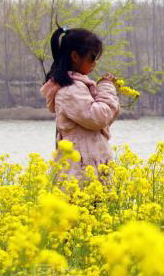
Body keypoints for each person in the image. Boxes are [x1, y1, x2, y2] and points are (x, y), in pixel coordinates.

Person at [40, 27, 120, 181]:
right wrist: (106, 87)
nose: (94, 63)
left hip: (88, 169)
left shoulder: (78, 86)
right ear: (75, 56)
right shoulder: (69, 90)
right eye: (92, 57)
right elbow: (98, 117)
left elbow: (105, 117)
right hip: (81, 175)